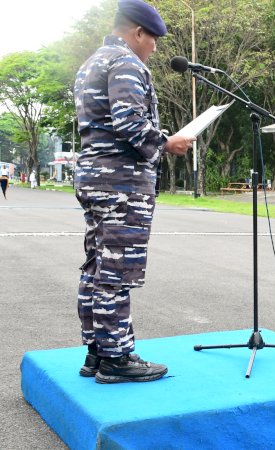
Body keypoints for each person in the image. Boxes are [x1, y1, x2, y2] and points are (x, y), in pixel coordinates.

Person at [73, 0, 195, 384]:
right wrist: (167, 143)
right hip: (120, 182)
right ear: (137, 32)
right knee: (116, 270)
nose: (155, 47)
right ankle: (117, 358)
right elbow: (130, 124)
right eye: (153, 38)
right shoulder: (125, 63)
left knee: (96, 265)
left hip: (97, 177)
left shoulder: (92, 62)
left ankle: (96, 351)